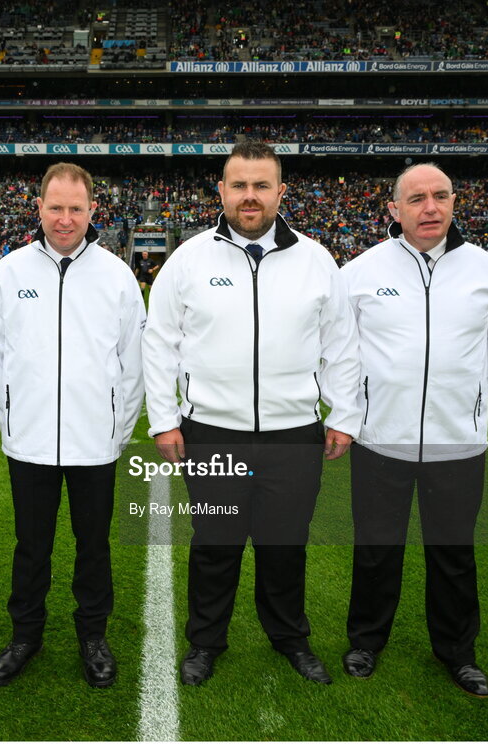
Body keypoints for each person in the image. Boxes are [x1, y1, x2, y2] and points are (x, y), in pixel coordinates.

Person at [143, 142, 361, 686]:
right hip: (212, 430)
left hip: (293, 434)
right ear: (221, 190)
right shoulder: (189, 258)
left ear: (281, 193)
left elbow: (342, 344)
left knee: (284, 545)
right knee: (215, 546)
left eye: (261, 185)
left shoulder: (315, 259)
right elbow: (158, 343)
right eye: (239, 185)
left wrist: (344, 415)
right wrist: (164, 419)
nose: (249, 196)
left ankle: (289, 637)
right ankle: (205, 642)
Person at [337, 163, 488, 698]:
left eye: (440, 196)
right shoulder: (362, 270)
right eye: (416, 199)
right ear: (394, 209)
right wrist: (359, 409)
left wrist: (466, 399)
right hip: (381, 438)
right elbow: (339, 351)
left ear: (455, 201)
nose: (430, 208)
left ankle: (458, 652)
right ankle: (366, 641)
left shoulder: (485, 269)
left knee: (453, 551)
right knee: (376, 548)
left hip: (457, 441)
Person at [0, 163, 145, 689]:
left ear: (92, 210)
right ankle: (25, 636)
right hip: (28, 443)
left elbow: (133, 362)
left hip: (95, 443)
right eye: (56, 207)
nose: (65, 218)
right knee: (32, 546)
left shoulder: (117, 275)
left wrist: (116, 431)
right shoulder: (9, 272)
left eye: (76, 208)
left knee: (92, 546)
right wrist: (12, 422)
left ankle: (92, 637)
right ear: (39, 208)